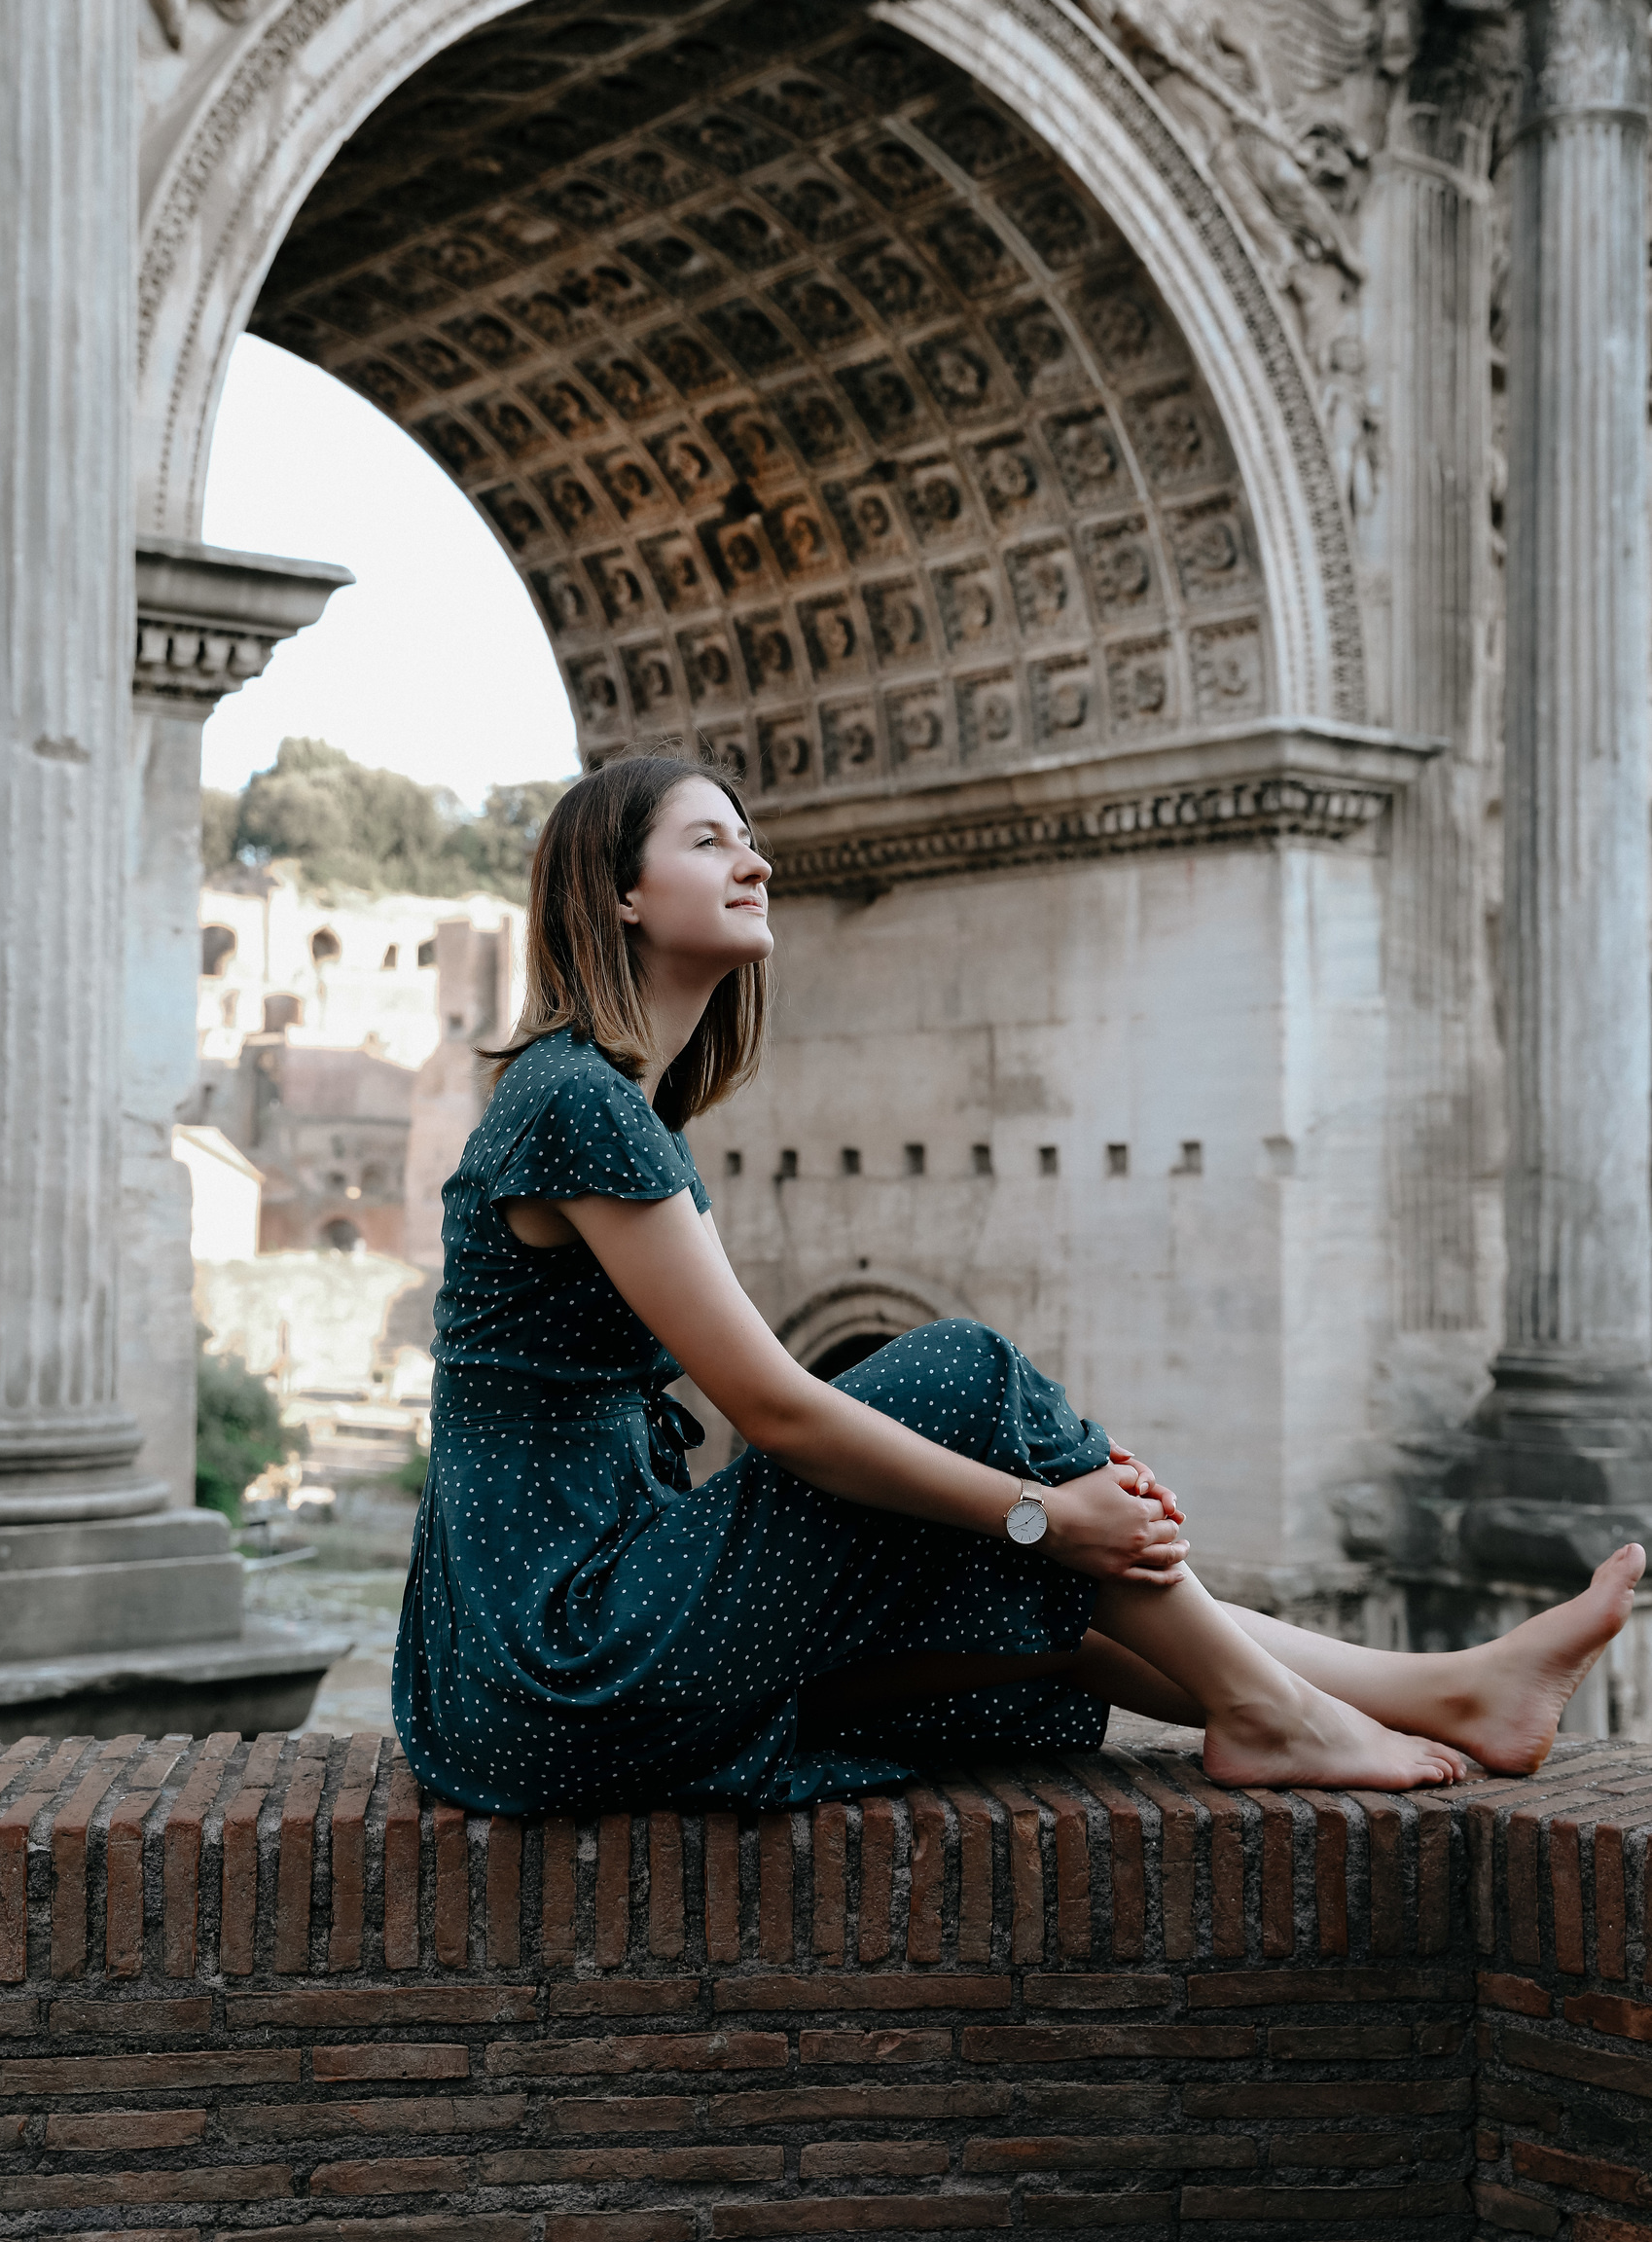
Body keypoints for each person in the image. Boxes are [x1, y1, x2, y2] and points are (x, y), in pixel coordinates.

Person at [392, 754, 1645, 1815]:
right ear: (615, 892)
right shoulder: (577, 1103)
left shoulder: (597, 1103)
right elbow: (774, 1410)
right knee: (964, 1377)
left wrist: (1040, 1526)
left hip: (544, 1669)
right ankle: (1276, 1715)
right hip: (556, 1660)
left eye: (754, 837)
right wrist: (1041, 1509)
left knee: (1017, 1611)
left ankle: (1444, 1691)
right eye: (711, 839)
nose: (757, 861)